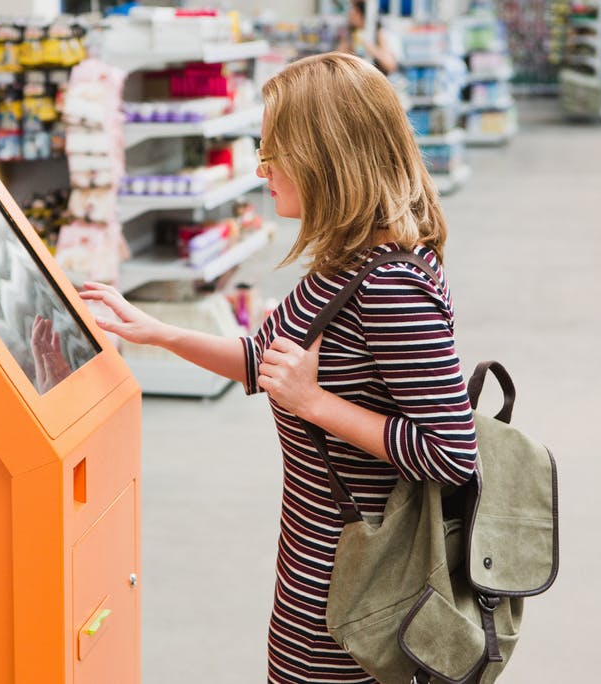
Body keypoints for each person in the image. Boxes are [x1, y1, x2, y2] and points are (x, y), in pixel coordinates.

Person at [80, 52, 478, 683]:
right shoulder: (345, 264)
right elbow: (272, 365)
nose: (261, 168)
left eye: (273, 151)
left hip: (363, 594)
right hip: (315, 569)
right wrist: (158, 332)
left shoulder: (390, 286)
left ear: (327, 156)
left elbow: (452, 451)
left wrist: (316, 403)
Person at [342, 0, 401, 75]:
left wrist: (373, 49)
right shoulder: (352, 34)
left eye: (354, 13)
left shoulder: (381, 34)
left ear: (363, 15)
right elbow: (340, 55)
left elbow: (391, 65)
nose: (350, 16)